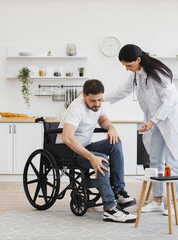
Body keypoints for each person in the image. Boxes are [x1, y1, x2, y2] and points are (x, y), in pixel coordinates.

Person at [104, 44, 178, 216]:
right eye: (124, 66)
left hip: (172, 121)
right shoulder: (136, 74)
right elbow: (124, 90)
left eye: (129, 65)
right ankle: (158, 200)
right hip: (156, 122)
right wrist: (102, 98)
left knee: (173, 160)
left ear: (138, 59)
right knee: (155, 161)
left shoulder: (159, 73)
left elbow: (169, 101)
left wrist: (153, 121)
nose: (127, 69)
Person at [57, 79, 137, 223]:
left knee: (115, 142)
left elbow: (103, 121)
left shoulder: (98, 104)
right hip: (69, 152)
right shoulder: (76, 108)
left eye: (100, 100)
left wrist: (112, 128)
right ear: (84, 95)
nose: (97, 104)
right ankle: (110, 209)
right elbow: (66, 137)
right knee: (100, 159)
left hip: (85, 146)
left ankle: (119, 192)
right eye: (93, 101)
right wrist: (91, 157)